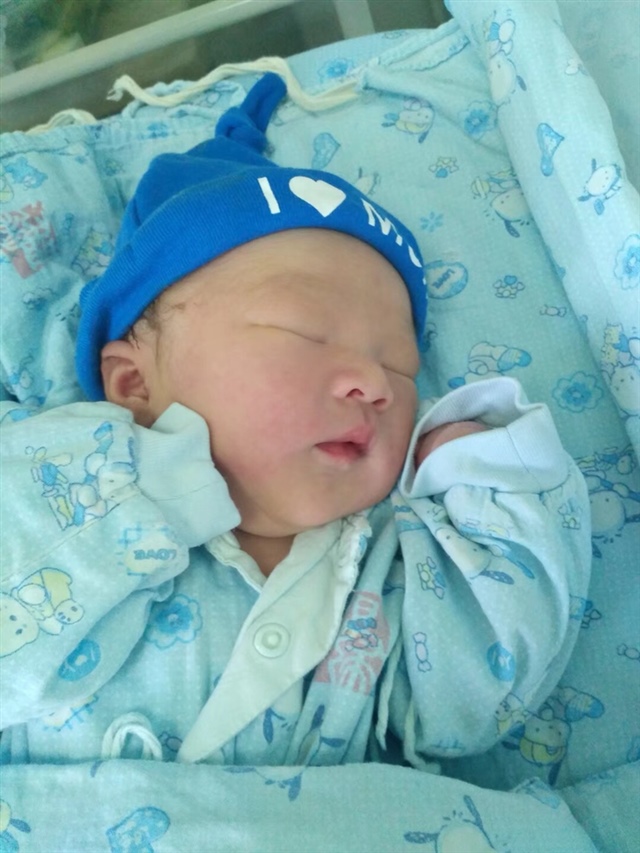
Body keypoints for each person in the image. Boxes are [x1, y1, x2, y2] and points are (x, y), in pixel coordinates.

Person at [0, 73, 590, 770]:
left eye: (400, 365)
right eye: (303, 331)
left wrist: (492, 487)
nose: (375, 383)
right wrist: (144, 481)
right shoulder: (54, 479)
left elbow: (473, 704)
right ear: (133, 382)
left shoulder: (383, 573)